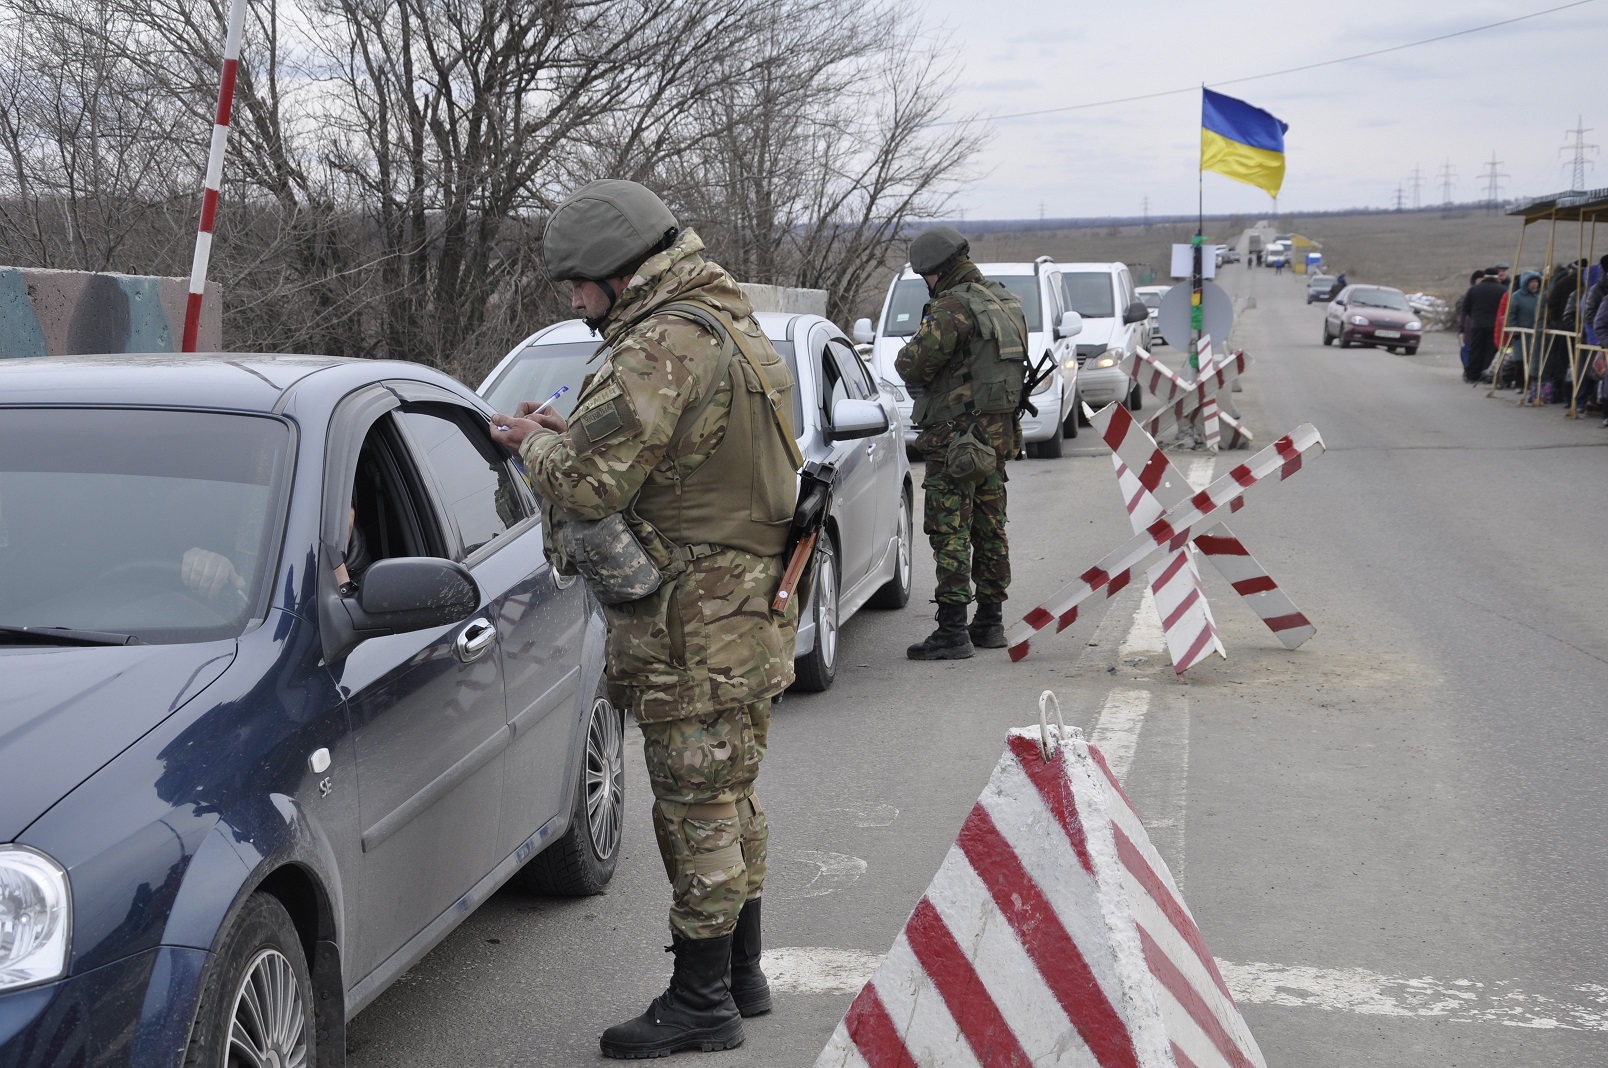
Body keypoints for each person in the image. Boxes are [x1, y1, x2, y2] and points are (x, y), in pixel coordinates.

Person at [488, 180, 798, 1060]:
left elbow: (589, 486)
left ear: (619, 274)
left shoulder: (662, 341)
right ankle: (741, 975)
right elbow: (673, 458)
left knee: (694, 805)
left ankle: (702, 1003)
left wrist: (537, 443)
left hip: (695, 624)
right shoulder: (723, 318)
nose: (575, 301)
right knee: (730, 794)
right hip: (748, 607)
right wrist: (572, 430)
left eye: (578, 284)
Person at [894, 225, 1030, 660]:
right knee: (991, 527)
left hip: (955, 437)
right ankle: (990, 622)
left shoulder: (953, 307)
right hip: (997, 435)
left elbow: (912, 365)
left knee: (949, 527)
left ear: (935, 270)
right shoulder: (1005, 301)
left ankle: (953, 631)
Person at [1459, 269, 1505, 384]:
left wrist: (1475, 316)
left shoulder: (1474, 289)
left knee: (1476, 349)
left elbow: (1466, 308)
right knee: (1491, 350)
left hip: (1477, 324)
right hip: (1494, 325)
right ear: (1496, 277)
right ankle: (1487, 375)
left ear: (1485, 276)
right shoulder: (1502, 290)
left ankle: (1473, 374)